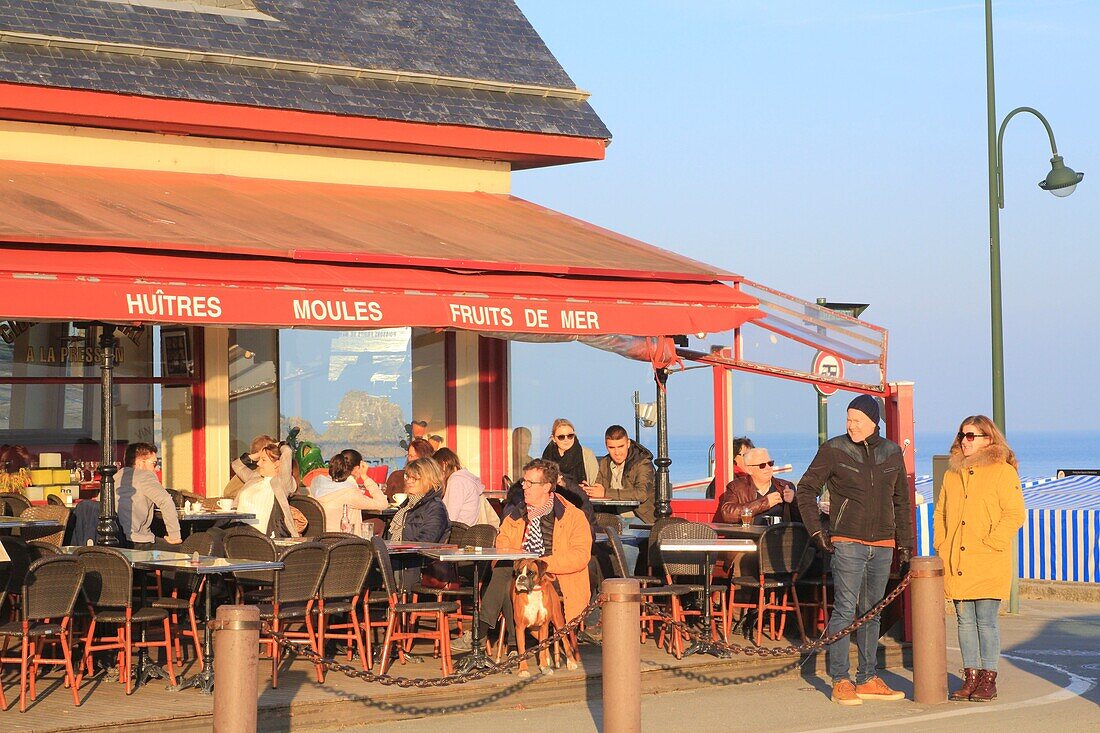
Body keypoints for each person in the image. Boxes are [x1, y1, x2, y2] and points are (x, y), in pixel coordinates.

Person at [795, 394, 913, 706]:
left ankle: (868, 677)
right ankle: (840, 679)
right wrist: (817, 531)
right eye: (848, 419)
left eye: (857, 420)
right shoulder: (834, 449)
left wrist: (906, 546)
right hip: (846, 541)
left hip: (884, 544)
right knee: (845, 610)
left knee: (872, 612)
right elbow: (805, 489)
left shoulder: (891, 452)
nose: (851, 426)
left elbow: (902, 501)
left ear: (874, 422)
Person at [454, 459, 593, 652]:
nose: (524, 487)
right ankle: (507, 643)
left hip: (554, 575)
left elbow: (580, 556)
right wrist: (518, 556)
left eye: (530, 483)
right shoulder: (517, 513)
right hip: (519, 569)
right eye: (523, 482)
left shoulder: (572, 516)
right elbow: (502, 541)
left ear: (546, 487)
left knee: (505, 577)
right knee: (505, 572)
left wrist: (542, 563)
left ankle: (484, 635)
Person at [934, 415, 1025, 703]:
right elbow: (941, 513)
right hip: (958, 559)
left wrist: (992, 541)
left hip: (988, 558)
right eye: (962, 435)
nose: (964, 440)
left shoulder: (1002, 472)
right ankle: (970, 677)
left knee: (985, 621)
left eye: (971, 436)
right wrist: (942, 544)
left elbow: (1015, 514)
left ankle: (988, 678)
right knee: (964, 620)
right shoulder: (952, 474)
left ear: (988, 439)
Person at [115, 442, 182, 548]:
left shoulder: (116, 477)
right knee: (184, 552)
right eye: (154, 463)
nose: (157, 469)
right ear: (140, 463)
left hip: (116, 540)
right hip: (137, 541)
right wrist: (174, 536)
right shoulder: (145, 475)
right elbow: (165, 501)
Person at [585, 424, 656, 523]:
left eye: (621, 446)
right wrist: (588, 490)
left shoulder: (642, 463)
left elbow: (641, 494)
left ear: (628, 443)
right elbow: (599, 488)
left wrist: (605, 493)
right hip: (612, 517)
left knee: (620, 534)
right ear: (606, 446)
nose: (617, 452)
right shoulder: (605, 462)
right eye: (612, 447)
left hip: (640, 517)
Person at [310, 449, 388, 535]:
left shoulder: (318, 484)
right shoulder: (350, 492)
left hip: (320, 538)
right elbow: (383, 504)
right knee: (379, 523)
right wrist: (365, 476)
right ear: (357, 468)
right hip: (345, 541)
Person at [716, 447, 801, 525]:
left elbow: (801, 521)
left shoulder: (785, 486)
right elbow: (727, 514)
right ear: (749, 470)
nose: (768, 468)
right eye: (762, 465)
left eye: (770, 463)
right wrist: (765, 502)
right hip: (748, 538)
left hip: (777, 539)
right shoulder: (737, 487)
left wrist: (794, 501)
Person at [232, 442, 299, 538]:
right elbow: (236, 465)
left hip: (261, 536)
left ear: (277, 463)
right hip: (238, 527)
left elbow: (287, 452)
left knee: (215, 535)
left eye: (263, 460)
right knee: (210, 533)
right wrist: (257, 455)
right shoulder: (255, 478)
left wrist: (280, 444)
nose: (258, 463)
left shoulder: (282, 483)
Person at [386, 457, 450, 544]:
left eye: (414, 478)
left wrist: (399, 551)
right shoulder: (407, 505)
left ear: (429, 480)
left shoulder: (435, 508)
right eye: (407, 476)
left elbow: (426, 542)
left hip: (417, 556)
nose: (409, 481)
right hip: (398, 554)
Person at [433, 447, 484, 526]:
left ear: (444, 464)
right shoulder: (464, 478)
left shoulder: (456, 481)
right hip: (465, 531)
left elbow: (450, 517)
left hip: (458, 533)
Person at [540, 418, 599, 486]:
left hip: (580, 495)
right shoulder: (547, 456)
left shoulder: (586, 454)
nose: (566, 439)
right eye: (561, 437)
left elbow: (595, 483)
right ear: (554, 439)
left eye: (570, 436)